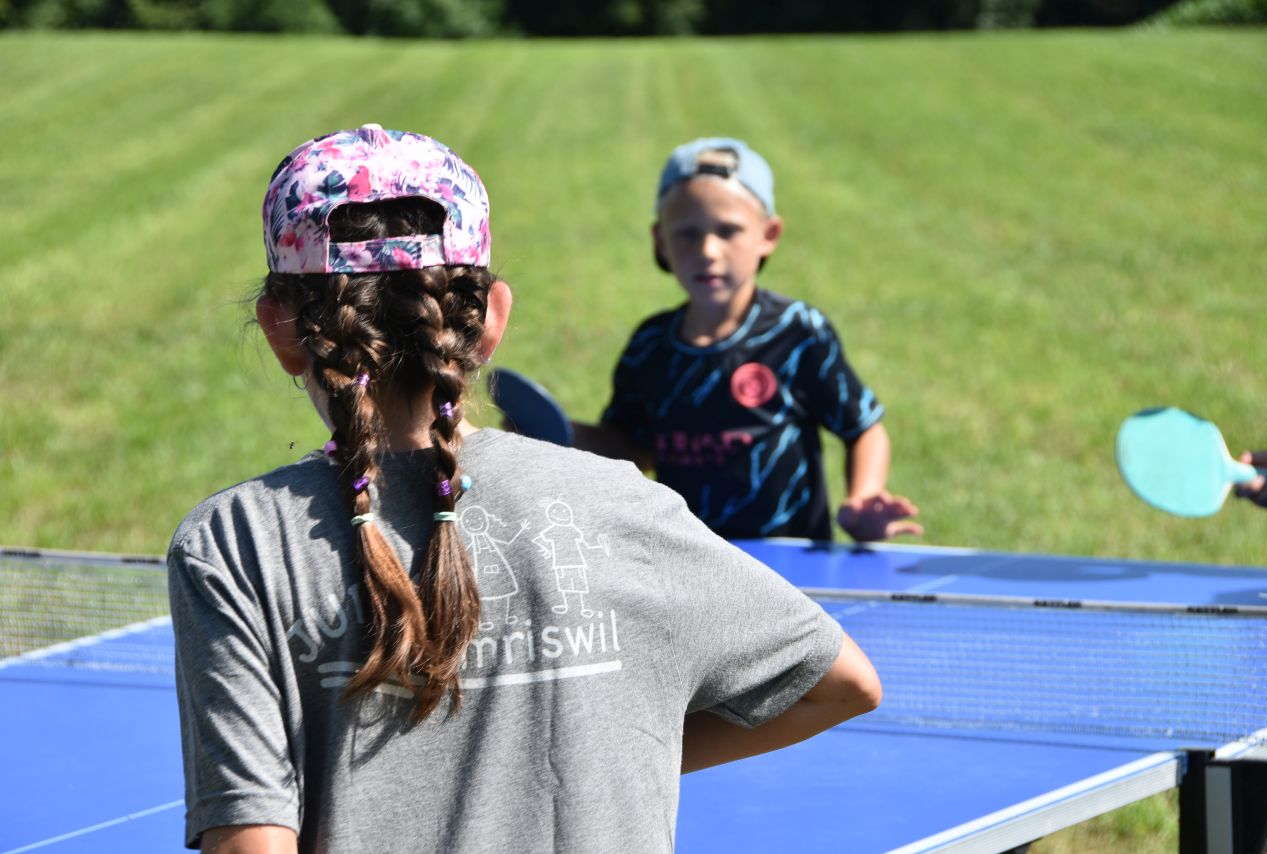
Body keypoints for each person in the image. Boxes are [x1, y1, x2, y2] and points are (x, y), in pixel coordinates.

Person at [167, 125, 881, 853]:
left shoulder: (235, 545)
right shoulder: (625, 504)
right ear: (491, 321)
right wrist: (621, 755)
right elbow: (840, 684)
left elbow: (248, 843)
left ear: (280, 328)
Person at [572, 137, 922, 543]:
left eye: (728, 231)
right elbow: (634, 449)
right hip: (688, 560)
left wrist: (864, 496)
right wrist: (553, 430)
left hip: (785, 570)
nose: (708, 250)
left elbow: (862, 428)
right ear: (660, 240)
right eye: (687, 234)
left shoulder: (797, 332)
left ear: (768, 235)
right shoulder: (650, 346)